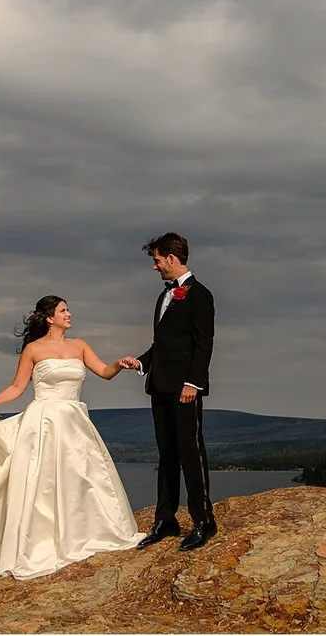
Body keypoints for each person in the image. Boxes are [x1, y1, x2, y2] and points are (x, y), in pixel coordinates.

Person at [0, 296, 144, 585]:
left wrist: (119, 363)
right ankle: (40, 545)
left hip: (74, 422)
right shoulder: (33, 349)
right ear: (49, 318)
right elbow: (18, 388)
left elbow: (104, 372)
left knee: (82, 479)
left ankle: (83, 534)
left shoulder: (80, 346)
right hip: (42, 423)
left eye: (68, 310)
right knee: (41, 486)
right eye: (63, 310)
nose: (69, 314)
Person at [117, 232, 216, 550]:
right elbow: (163, 345)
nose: (154, 267)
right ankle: (166, 520)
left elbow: (203, 345)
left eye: (157, 260)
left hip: (185, 390)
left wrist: (193, 384)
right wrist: (142, 362)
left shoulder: (200, 296)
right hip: (159, 387)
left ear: (172, 259)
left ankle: (204, 521)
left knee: (191, 452)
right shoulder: (164, 297)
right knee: (167, 454)